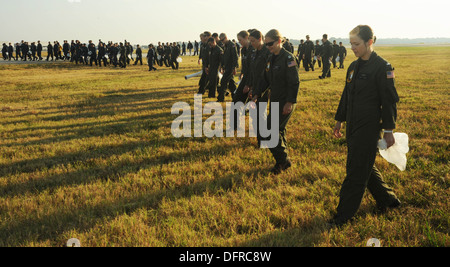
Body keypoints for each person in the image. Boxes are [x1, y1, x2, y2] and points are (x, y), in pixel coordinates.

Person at [330, 25, 401, 227]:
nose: (352, 48)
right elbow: (346, 95)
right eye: (351, 44)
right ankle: (389, 200)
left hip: (368, 127)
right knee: (364, 167)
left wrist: (388, 131)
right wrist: (339, 120)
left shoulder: (382, 67)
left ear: (370, 42)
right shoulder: (353, 67)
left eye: (357, 44)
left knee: (355, 172)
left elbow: (389, 101)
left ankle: (342, 216)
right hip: (353, 125)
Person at [251, 29, 300, 175]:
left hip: (285, 101)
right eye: (266, 44)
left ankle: (283, 160)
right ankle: (282, 159)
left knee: (269, 131)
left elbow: (294, 82)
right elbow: (265, 79)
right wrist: (256, 94)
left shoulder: (288, 58)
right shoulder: (271, 58)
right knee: (278, 130)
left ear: (279, 41)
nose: (268, 47)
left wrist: (290, 102)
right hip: (275, 100)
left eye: (270, 43)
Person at [246, 29, 271, 146]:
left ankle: (264, 141)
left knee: (260, 114)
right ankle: (260, 139)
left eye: (253, 41)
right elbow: (253, 72)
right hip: (255, 86)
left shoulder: (267, 53)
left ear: (260, 39)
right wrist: (251, 87)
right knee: (254, 113)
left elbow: (267, 74)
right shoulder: (255, 53)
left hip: (264, 88)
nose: (252, 44)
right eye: (250, 41)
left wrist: (259, 91)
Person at [218, 33, 238, 102]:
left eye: (223, 39)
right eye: (221, 40)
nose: (222, 41)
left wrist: (234, 67)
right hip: (226, 67)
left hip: (230, 67)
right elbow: (224, 57)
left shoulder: (232, 45)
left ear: (226, 37)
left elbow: (235, 57)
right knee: (231, 84)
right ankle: (235, 97)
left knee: (223, 82)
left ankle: (221, 98)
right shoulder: (225, 46)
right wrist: (222, 66)